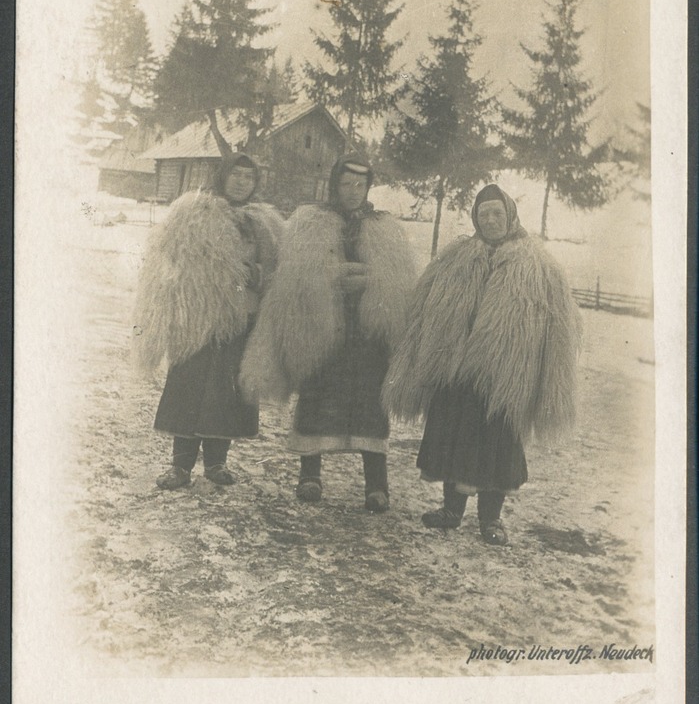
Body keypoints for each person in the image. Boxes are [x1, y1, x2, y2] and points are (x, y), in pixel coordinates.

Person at [383, 184, 582, 545]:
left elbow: (560, 329)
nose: (490, 220)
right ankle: (451, 511)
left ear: (510, 216)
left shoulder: (538, 266)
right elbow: (424, 308)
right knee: (453, 439)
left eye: (497, 213)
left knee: (497, 447)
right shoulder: (456, 258)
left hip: (504, 377)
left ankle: (491, 520)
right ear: (475, 218)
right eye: (483, 213)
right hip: (456, 371)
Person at [241, 153, 416, 512]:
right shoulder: (309, 222)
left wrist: (371, 281)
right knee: (318, 395)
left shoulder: (385, 227)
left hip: (367, 333)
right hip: (321, 326)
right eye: (346, 184)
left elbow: (399, 282)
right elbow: (293, 275)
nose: (353, 191)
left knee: (371, 403)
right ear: (334, 184)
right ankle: (310, 475)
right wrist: (332, 277)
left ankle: (376, 485)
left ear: (369, 187)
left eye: (360, 185)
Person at [133, 150, 284, 489]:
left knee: (227, 393)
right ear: (223, 176)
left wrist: (253, 274)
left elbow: (275, 270)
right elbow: (174, 258)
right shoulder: (195, 213)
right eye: (236, 175)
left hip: (240, 318)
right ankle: (180, 468)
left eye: (249, 177)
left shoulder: (263, 224)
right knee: (190, 390)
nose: (242, 183)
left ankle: (216, 464)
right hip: (198, 319)